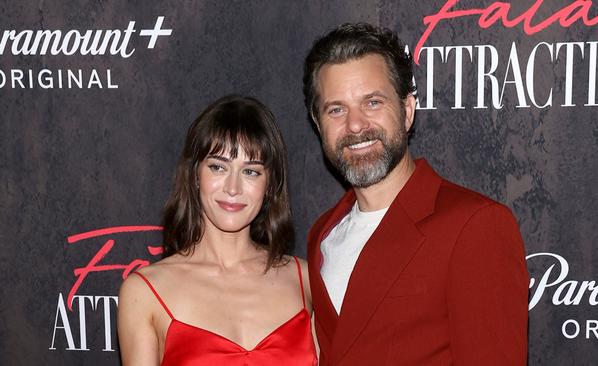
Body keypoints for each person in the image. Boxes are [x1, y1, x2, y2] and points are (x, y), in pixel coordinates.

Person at [303, 23, 529, 365]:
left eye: (372, 102)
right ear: (319, 126)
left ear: (407, 111)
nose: (354, 125)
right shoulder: (322, 234)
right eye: (337, 110)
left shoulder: (475, 226)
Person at [118, 95, 318, 365]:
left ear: (270, 185)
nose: (233, 188)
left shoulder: (304, 280)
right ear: (195, 175)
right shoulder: (145, 292)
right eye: (218, 167)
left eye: (251, 172)